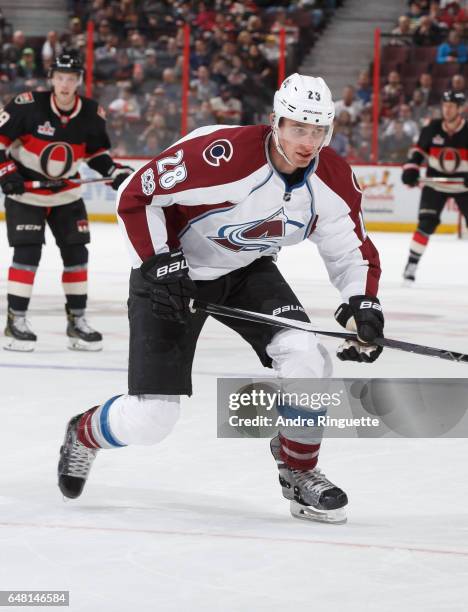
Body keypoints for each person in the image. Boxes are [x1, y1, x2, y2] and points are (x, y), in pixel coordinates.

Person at [57, 73, 384, 524]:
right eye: (297, 128)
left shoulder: (332, 177)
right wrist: (160, 263)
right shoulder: (222, 155)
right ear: (275, 122)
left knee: (306, 355)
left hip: (246, 270)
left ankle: (299, 472)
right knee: (153, 420)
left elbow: (351, 250)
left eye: (318, 131)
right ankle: (84, 432)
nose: (308, 142)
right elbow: (136, 195)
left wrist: (362, 304)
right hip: (171, 272)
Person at [0, 51, 133, 351]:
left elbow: (97, 153)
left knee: (77, 257)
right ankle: (16, 320)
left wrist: (115, 171)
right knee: (27, 256)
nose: (64, 84)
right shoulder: (27, 106)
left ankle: (78, 321)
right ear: (52, 79)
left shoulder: (90, 113)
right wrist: (7, 172)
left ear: (79, 81)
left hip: (67, 196)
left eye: (71, 78)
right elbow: (1, 142)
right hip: (27, 195)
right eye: (60, 77)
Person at [401, 90, 468, 283]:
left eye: (451, 106)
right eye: (445, 106)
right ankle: (412, 263)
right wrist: (411, 170)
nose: (447, 110)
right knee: (426, 223)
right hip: (435, 184)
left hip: (463, 185)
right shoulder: (431, 128)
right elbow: (417, 153)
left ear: (460, 109)